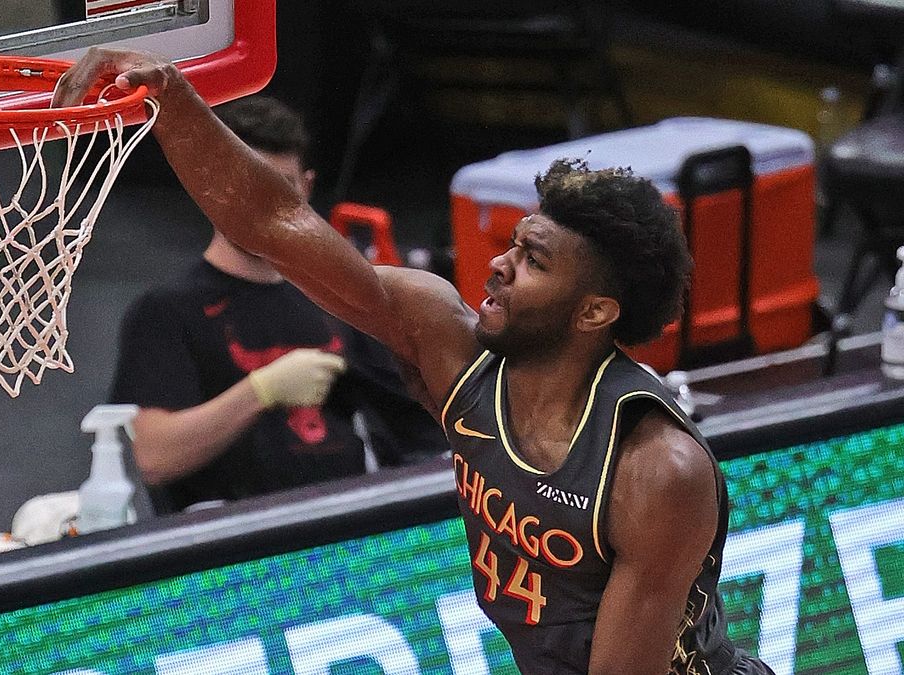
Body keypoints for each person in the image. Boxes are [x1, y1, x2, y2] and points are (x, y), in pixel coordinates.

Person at [53, 52, 773, 675]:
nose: (498, 265)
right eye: (514, 244)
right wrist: (174, 101)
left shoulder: (655, 470)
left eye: (534, 262)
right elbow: (277, 226)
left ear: (594, 312)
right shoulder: (449, 345)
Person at [107, 95, 447, 514]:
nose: (263, 207)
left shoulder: (341, 299)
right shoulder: (166, 312)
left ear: (305, 188)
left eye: (280, 189)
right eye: (249, 187)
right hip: (229, 546)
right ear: (212, 188)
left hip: (350, 533)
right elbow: (156, 458)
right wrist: (260, 390)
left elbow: (425, 433)